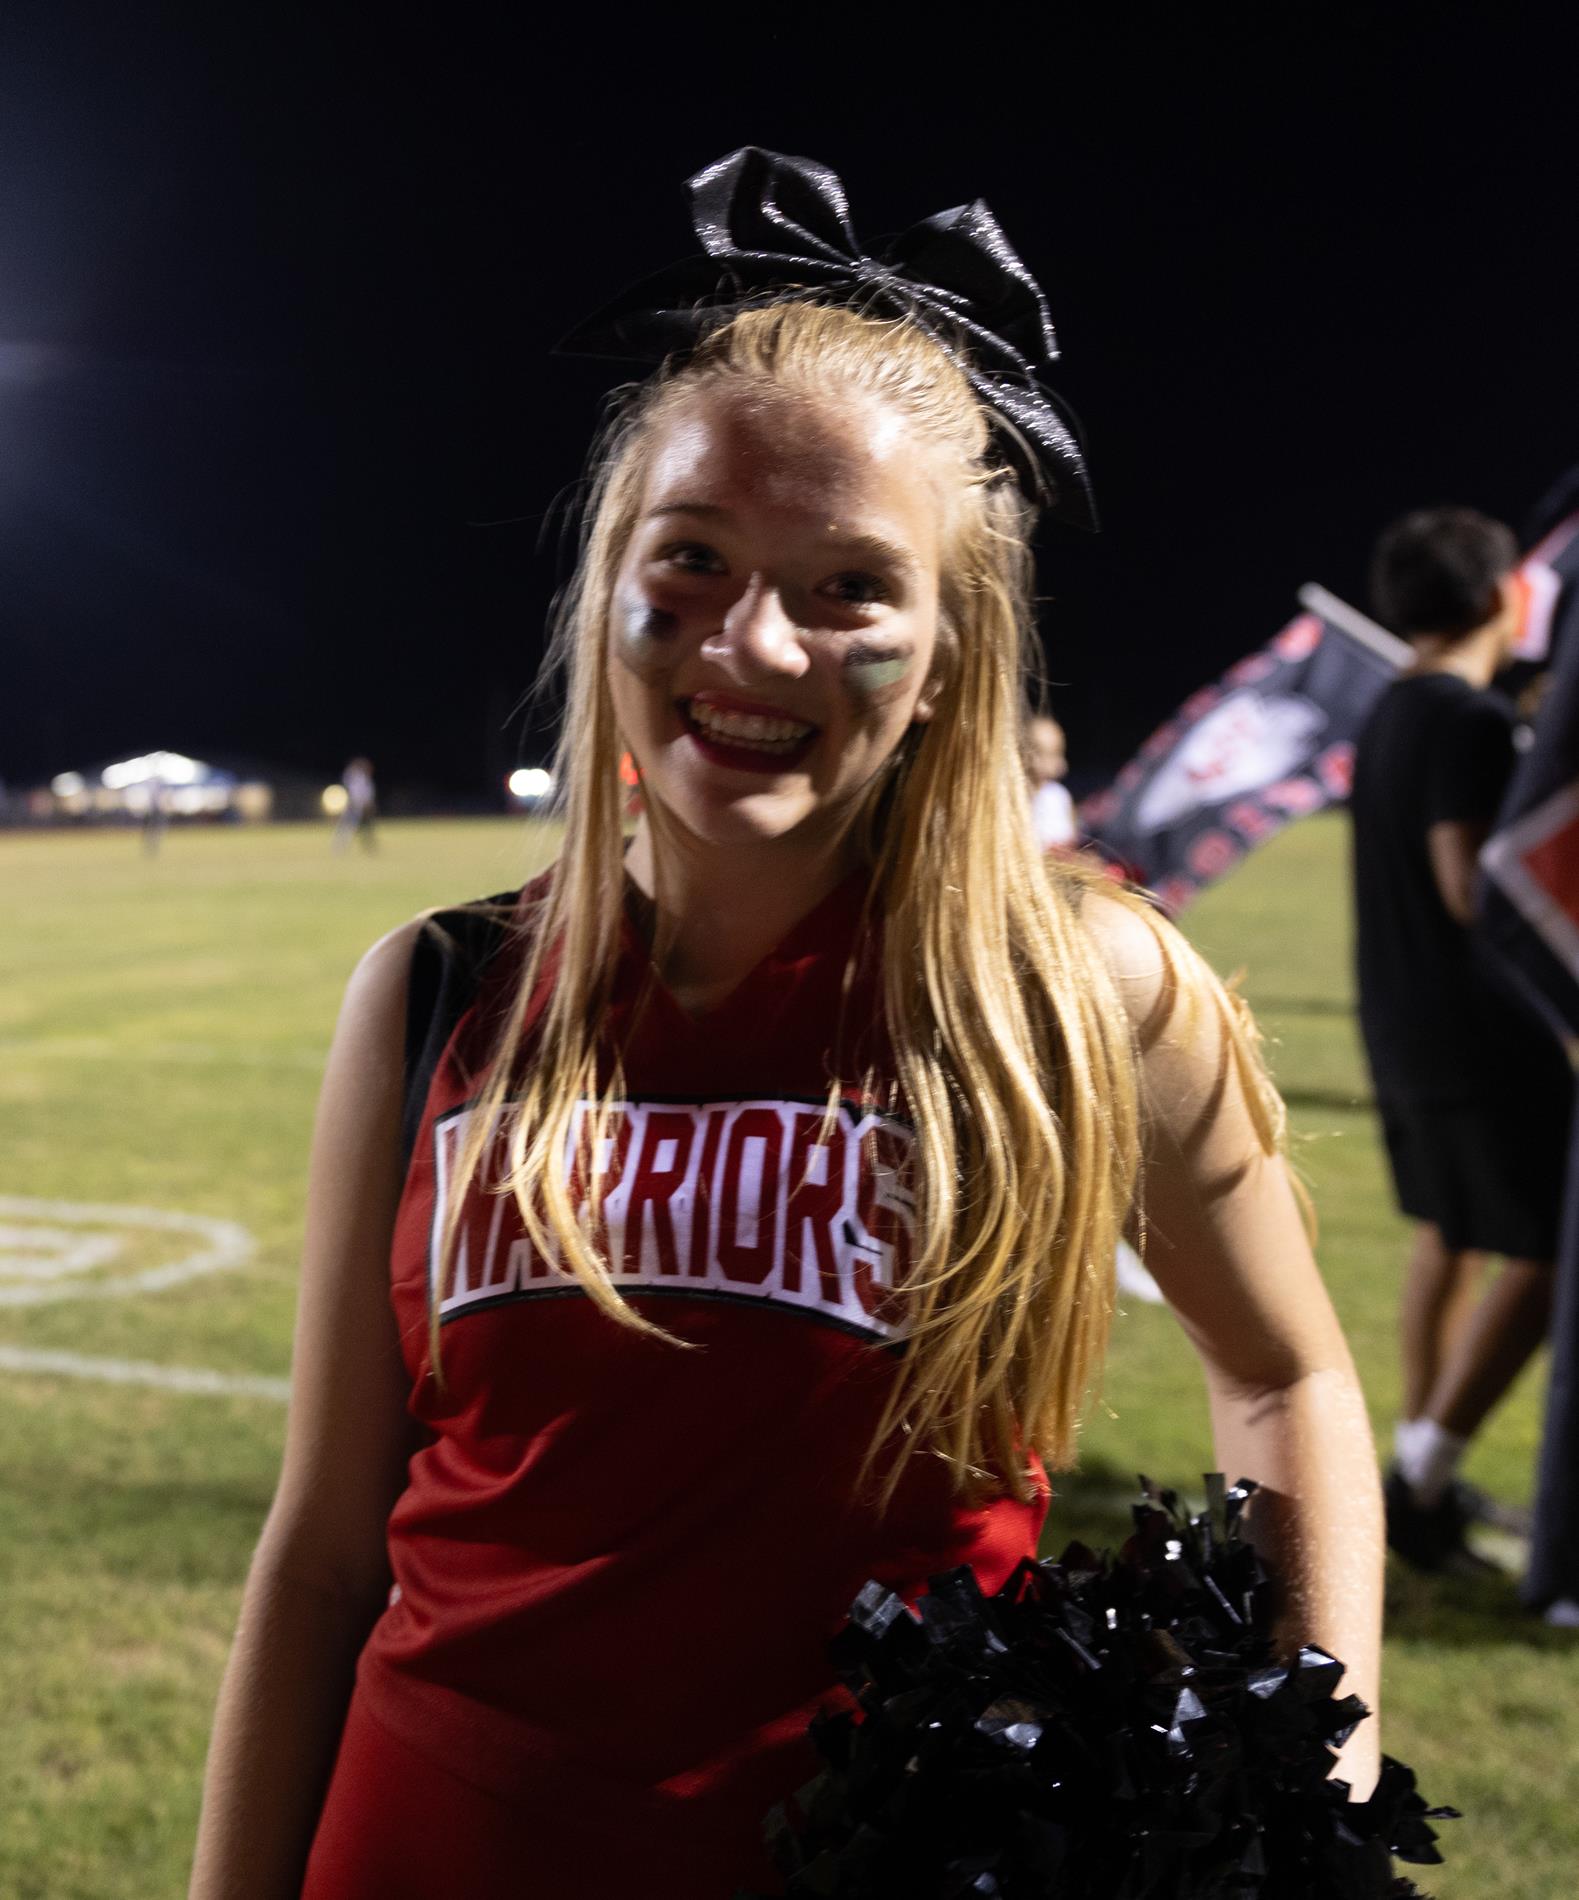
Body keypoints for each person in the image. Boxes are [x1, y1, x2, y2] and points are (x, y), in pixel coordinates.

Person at [189, 150, 1382, 1900]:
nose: (749, 646)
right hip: (424, 1841)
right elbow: (319, 1557)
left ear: (949, 650)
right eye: (694, 559)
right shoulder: (438, 991)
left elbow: (1285, 1376)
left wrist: (1305, 1765)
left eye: (845, 590)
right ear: (608, 582)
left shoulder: (1074, 992)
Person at [1350, 506, 1571, 1571]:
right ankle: (1422, 1476)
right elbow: (1469, 883)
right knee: (1546, 1250)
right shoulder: (1470, 720)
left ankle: (1417, 1473)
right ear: (1501, 598)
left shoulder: (1391, 705)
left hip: (1398, 1017)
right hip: (1478, 1030)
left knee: (1449, 1231)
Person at [1024, 707, 1079, 849]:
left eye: (1050, 754)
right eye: (1035, 750)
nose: (1035, 760)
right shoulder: (1018, 797)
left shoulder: (1058, 796)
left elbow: (1071, 837)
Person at [332, 757, 377, 852]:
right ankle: (339, 846)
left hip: (361, 807)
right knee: (348, 826)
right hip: (354, 806)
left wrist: (369, 805)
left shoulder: (365, 779)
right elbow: (353, 790)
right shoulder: (356, 778)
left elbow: (367, 795)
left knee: (365, 828)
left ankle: (368, 846)